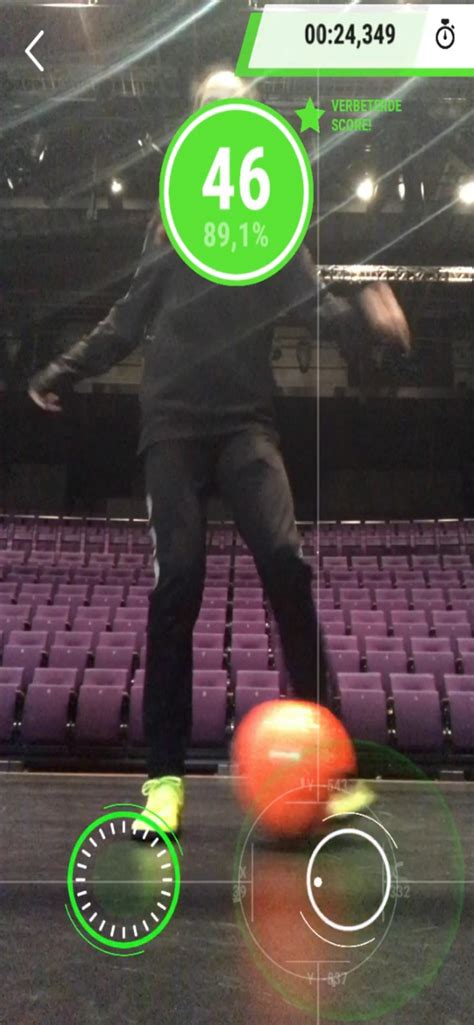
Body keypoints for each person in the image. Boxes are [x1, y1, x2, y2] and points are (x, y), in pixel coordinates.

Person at [28, 70, 410, 837]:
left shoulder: (271, 231)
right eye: (212, 106)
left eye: (237, 107)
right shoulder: (172, 228)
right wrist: (61, 369)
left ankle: (329, 770)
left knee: (287, 563)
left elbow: (316, 306)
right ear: (196, 129)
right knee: (179, 582)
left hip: (244, 424)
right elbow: (127, 320)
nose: (226, 117)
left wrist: (372, 318)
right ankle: (164, 778)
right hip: (172, 423)